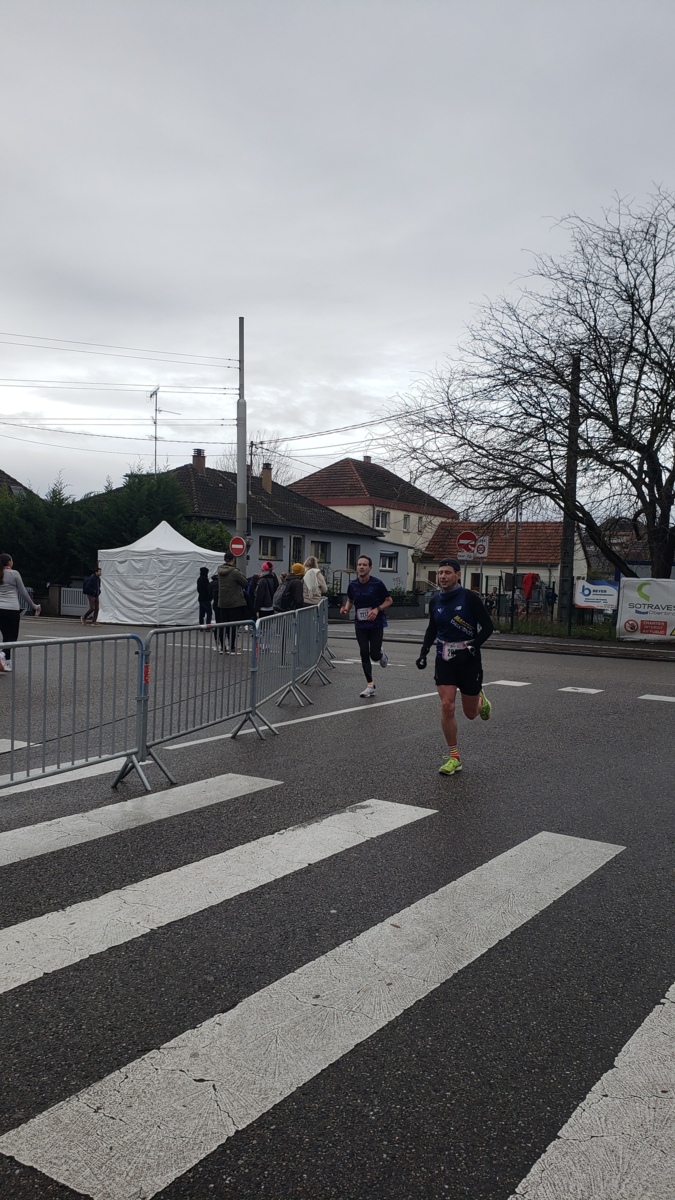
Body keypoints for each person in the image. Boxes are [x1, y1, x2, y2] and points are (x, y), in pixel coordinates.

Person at [416, 557, 493, 775]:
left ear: (458, 575)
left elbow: (488, 627)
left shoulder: (470, 598)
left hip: (468, 659)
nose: (443, 576)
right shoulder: (435, 601)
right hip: (444, 658)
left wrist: (471, 648)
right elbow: (432, 629)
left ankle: (481, 702)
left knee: (470, 713)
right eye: (440, 572)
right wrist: (423, 652)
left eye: (447, 572)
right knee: (447, 705)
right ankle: (454, 756)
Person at [340, 555, 393, 698]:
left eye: (364, 565)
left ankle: (381, 655)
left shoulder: (377, 584)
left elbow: (389, 600)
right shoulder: (352, 585)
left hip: (376, 624)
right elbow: (350, 600)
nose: (361, 567)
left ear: (370, 568)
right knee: (364, 652)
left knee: (374, 655)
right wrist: (346, 608)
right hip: (360, 624)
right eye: (359, 565)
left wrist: (377, 609)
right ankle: (370, 685)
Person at [0, 552, 41, 673]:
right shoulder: (14, 573)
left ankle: (7, 663)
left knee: (6, 636)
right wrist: (34, 606)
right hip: (12, 609)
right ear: (9, 562)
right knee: (12, 637)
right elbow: (23, 592)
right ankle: (2, 654)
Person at [217, 551, 250, 652]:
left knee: (223, 625)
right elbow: (245, 582)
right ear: (233, 560)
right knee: (233, 626)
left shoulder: (220, 570)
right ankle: (232, 646)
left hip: (222, 602)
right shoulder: (235, 572)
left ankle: (222, 646)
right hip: (234, 602)